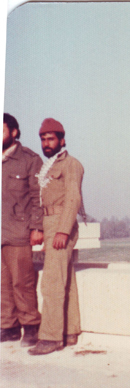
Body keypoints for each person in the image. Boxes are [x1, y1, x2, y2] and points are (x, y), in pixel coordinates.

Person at [29, 118, 84, 355]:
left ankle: (50, 338)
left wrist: (63, 230)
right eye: (43, 139)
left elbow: (73, 198)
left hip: (62, 223)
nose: (46, 143)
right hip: (50, 222)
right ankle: (69, 332)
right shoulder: (48, 166)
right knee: (65, 279)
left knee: (51, 281)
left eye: (51, 139)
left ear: (62, 140)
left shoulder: (71, 164)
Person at [1, 113, 43, 347]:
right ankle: (8, 327)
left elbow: (38, 196)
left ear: (14, 132)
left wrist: (37, 227)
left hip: (18, 232)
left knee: (22, 282)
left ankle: (31, 326)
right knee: (2, 284)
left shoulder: (29, 160)